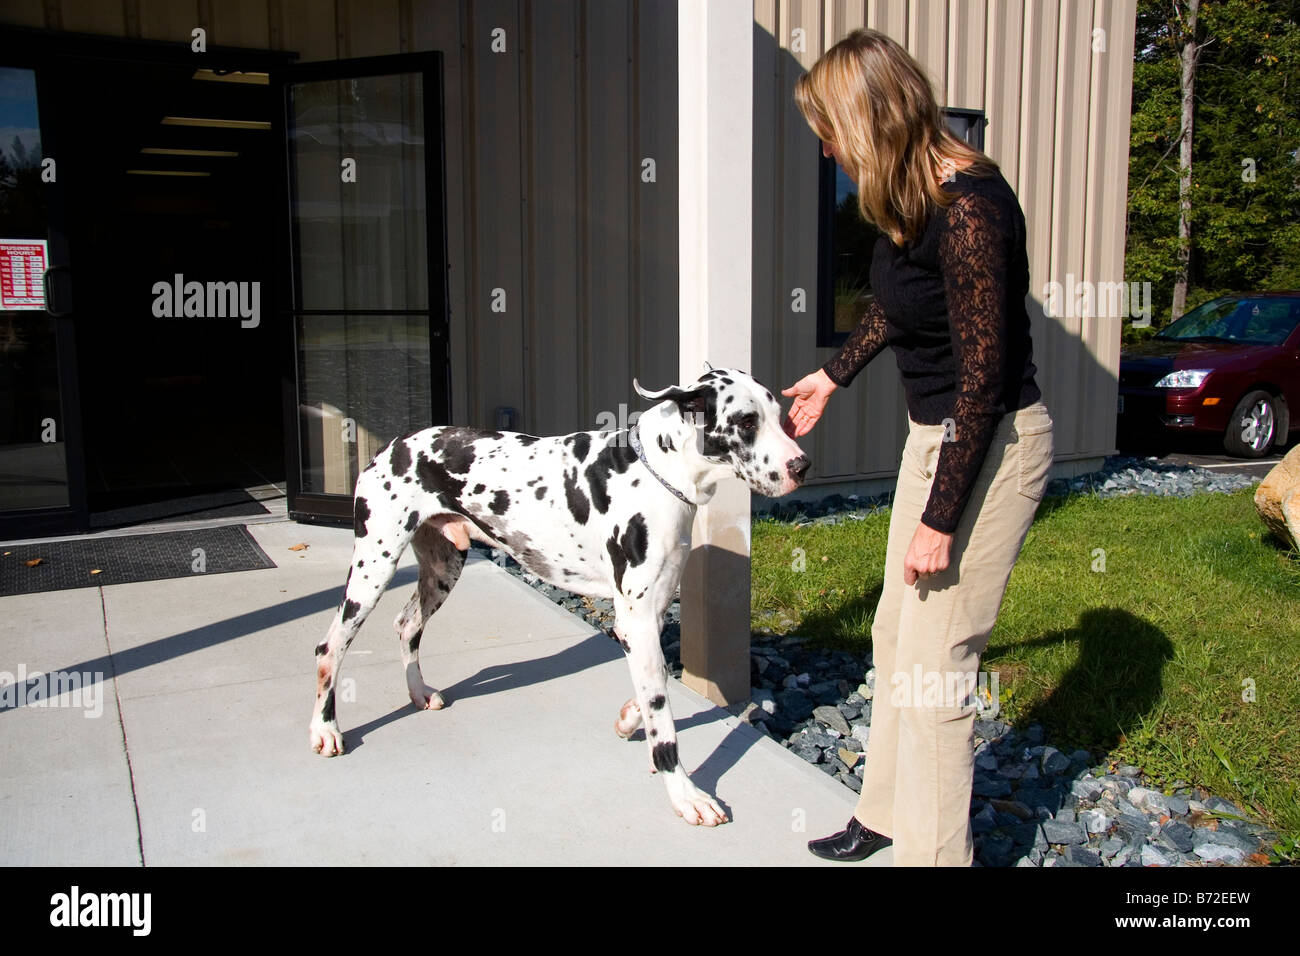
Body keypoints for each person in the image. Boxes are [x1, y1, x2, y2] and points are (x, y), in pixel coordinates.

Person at [783, 29, 1054, 867]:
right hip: (933, 437)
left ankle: (937, 858)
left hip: (994, 445)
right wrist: (834, 376)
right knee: (895, 634)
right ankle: (890, 814)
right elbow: (895, 308)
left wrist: (942, 518)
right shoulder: (908, 197)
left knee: (939, 671)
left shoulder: (971, 207)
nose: (826, 148)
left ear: (868, 119)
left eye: (830, 130)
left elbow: (985, 381)